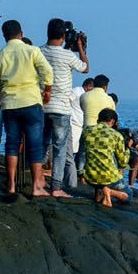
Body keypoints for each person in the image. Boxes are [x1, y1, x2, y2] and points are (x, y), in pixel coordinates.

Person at [0, 19, 54, 196]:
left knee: (12, 143)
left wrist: (5, 90)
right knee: (35, 144)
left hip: (9, 105)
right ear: (21, 34)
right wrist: (47, 91)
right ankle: (37, 187)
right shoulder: (32, 51)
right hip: (31, 101)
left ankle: (11, 184)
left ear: (4, 36)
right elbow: (47, 71)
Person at [40, 18, 89, 196]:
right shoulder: (68, 56)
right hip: (61, 109)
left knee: (42, 145)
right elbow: (85, 68)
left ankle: (38, 180)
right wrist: (80, 47)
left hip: (42, 106)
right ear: (63, 36)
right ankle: (56, 187)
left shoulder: (38, 51)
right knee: (60, 150)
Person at [81, 108, 128, 208]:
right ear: (113, 121)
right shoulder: (116, 135)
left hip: (90, 176)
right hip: (108, 177)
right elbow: (123, 163)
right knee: (129, 195)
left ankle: (101, 191)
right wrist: (127, 149)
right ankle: (109, 191)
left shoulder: (86, 130)